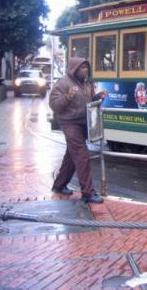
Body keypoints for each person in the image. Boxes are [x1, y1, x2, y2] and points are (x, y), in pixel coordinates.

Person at [49, 58, 108, 203]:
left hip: (82, 122)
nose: (85, 71)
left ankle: (59, 185)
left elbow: (86, 102)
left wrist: (97, 97)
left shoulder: (86, 83)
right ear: (74, 69)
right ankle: (88, 193)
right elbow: (54, 104)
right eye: (82, 68)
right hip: (69, 123)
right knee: (82, 155)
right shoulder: (62, 83)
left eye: (87, 68)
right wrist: (67, 97)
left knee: (71, 155)